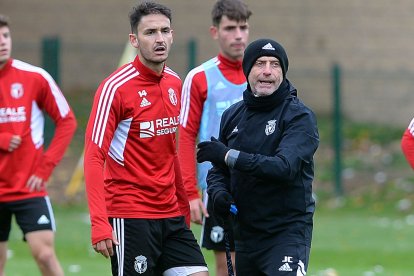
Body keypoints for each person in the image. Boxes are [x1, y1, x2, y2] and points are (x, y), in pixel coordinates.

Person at [83, 2, 209, 275]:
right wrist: (99, 222)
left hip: (171, 214)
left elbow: (170, 151)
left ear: (173, 35)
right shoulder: (115, 88)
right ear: (134, 40)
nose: (159, 39)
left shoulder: (175, 82)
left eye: (165, 31)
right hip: (131, 214)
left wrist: (184, 201)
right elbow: (94, 156)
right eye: (150, 32)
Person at [197, 38, 320, 275]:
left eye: (275, 65)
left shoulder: (299, 117)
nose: (267, 71)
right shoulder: (233, 115)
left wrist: (228, 155)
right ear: (247, 70)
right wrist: (219, 193)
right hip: (245, 235)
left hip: (286, 234)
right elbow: (218, 171)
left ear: (282, 72)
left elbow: (284, 168)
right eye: (260, 64)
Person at [0, 14, 77, 276]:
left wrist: (45, 167)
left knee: (44, 255)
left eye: (6, 36)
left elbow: (67, 121)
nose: (2, 42)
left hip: (28, 186)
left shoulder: (34, 77)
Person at [178, 0, 251, 275]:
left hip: (257, 184)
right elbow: (185, 136)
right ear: (215, 32)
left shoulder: (262, 73)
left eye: (243, 28)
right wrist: (189, 193)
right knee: (227, 265)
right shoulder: (199, 77)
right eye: (230, 28)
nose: (238, 35)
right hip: (218, 188)